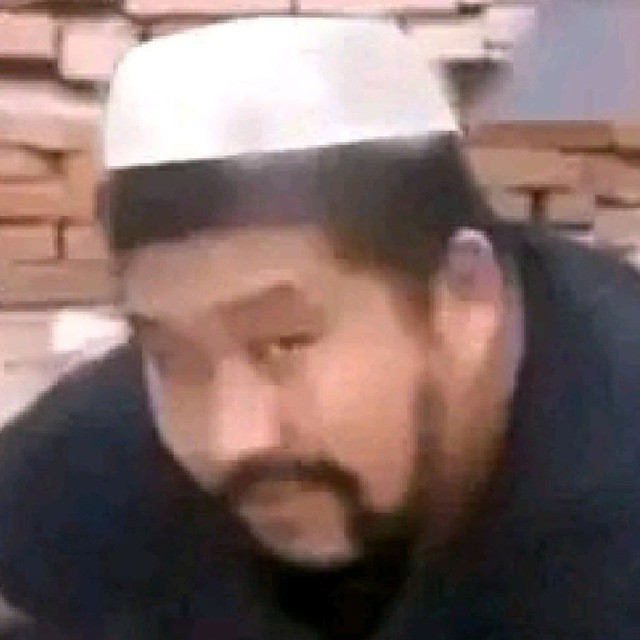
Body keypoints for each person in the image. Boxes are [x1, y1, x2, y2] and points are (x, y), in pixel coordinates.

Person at [0, 16, 640, 640]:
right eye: (171, 355)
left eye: (283, 345)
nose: (232, 440)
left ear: (464, 298)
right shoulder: (97, 458)